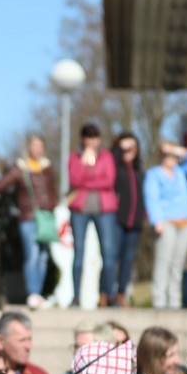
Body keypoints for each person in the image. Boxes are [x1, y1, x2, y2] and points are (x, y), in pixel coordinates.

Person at [0, 135, 59, 306]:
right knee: (32, 255)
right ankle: (33, 293)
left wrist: (55, 207)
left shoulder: (47, 168)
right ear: (28, 148)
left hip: (46, 218)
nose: (37, 149)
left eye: (40, 145)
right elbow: (4, 183)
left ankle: (39, 294)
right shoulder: (21, 168)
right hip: (29, 217)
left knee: (44, 256)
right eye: (34, 145)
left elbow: (53, 191)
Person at [143, 141, 187, 309]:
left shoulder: (180, 172)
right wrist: (157, 221)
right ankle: (159, 301)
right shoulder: (154, 174)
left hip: (185, 221)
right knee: (164, 262)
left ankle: (174, 302)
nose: (172, 159)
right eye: (168, 155)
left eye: (174, 156)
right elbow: (151, 198)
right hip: (166, 222)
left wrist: (177, 149)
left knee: (178, 264)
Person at [67, 123, 119, 308]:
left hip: (104, 209)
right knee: (78, 252)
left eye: (94, 137)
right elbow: (74, 179)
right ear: (82, 139)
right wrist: (85, 164)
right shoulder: (74, 157)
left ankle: (109, 295)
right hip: (80, 209)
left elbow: (109, 180)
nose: (91, 141)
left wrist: (87, 180)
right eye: (88, 137)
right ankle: (76, 296)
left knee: (108, 252)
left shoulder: (107, 156)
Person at [111, 132, 146, 306]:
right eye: (123, 148)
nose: (127, 151)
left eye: (131, 147)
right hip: (117, 220)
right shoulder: (115, 168)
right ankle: (107, 293)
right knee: (112, 258)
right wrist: (117, 150)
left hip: (136, 222)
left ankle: (121, 294)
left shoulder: (140, 170)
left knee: (128, 260)